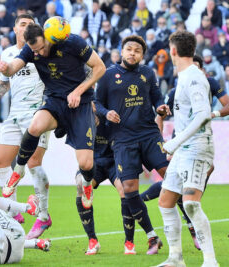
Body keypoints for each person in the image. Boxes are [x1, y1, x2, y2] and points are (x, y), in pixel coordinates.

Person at [0, 22, 106, 210]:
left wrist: (78, 91)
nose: (38, 53)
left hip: (80, 104)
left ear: (49, 38)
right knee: (35, 126)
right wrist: (5, 69)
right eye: (34, 50)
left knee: (86, 163)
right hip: (55, 100)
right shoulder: (31, 50)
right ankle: (19, 169)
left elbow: (100, 67)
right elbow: (14, 66)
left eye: (41, 48)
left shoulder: (72, 43)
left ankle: (88, 184)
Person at [0, 14, 52, 239]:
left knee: (33, 162)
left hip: (38, 113)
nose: (26, 27)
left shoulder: (42, 50)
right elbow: (4, 83)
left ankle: (43, 215)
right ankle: (13, 210)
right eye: (22, 24)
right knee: (1, 161)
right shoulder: (8, 54)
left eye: (30, 24)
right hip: (14, 114)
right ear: (15, 29)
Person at [95, 35, 170, 254]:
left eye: (137, 50)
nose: (133, 53)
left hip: (149, 135)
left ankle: (190, 226)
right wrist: (106, 112)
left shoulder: (147, 73)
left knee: (173, 175)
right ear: (122, 51)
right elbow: (97, 102)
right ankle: (152, 237)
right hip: (123, 140)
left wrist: (161, 107)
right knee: (128, 189)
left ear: (142, 55)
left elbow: (157, 97)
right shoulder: (108, 75)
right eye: (129, 49)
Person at [157, 30, 219, 267]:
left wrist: (174, 141)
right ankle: (175, 259)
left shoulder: (193, 76)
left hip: (197, 147)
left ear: (173, 50)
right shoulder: (184, 76)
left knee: (191, 203)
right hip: (184, 149)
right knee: (165, 201)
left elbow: (203, 114)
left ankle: (210, 261)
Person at [75, 103, 136, 255]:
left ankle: (129, 242)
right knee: (80, 185)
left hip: (114, 161)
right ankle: (92, 240)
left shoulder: (113, 112)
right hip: (95, 163)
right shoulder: (83, 116)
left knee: (124, 190)